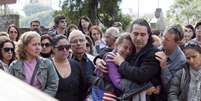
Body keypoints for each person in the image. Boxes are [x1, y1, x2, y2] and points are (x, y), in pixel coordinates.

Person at [95, 19, 161, 100]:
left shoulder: (154, 53)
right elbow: (112, 49)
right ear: (130, 34)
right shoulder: (131, 46)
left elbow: (141, 75)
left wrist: (121, 63)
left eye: (143, 34)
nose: (138, 38)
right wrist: (98, 59)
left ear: (148, 35)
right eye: (135, 34)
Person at [9, 31, 59, 97]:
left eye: (39, 44)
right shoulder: (14, 66)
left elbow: (53, 84)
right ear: (24, 47)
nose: (38, 48)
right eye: (34, 44)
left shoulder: (47, 63)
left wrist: (41, 98)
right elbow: (10, 88)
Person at [155, 25, 186, 100]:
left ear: (177, 43)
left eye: (167, 40)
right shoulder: (160, 49)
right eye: (163, 37)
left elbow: (171, 89)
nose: (163, 41)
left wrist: (164, 67)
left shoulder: (181, 61)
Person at [51, 34, 84, 101]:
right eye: (61, 48)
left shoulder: (76, 65)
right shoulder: (47, 66)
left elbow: (82, 89)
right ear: (53, 49)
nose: (65, 50)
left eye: (67, 47)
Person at [68, 30, 96, 99]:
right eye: (74, 41)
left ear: (85, 42)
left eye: (81, 40)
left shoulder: (93, 60)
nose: (78, 43)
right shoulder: (66, 62)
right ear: (69, 44)